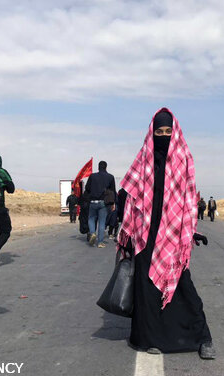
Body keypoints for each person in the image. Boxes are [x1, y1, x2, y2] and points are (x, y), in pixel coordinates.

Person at [117, 108, 215, 359]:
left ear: (175, 133)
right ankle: (149, 338)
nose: (163, 136)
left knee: (183, 285)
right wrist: (128, 232)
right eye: (158, 132)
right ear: (152, 133)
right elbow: (130, 198)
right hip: (145, 234)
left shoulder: (184, 160)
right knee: (146, 288)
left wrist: (190, 230)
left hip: (172, 233)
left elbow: (189, 201)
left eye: (168, 132)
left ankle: (202, 338)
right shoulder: (143, 161)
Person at [85, 161, 115, 247]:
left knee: (91, 218)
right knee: (102, 222)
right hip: (104, 203)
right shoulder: (110, 177)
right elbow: (112, 191)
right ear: (106, 167)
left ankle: (92, 233)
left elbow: (87, 188)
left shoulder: (92, 176)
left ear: (98, 167)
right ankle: (100, 242)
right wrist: (113, 203)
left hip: (93, 202)